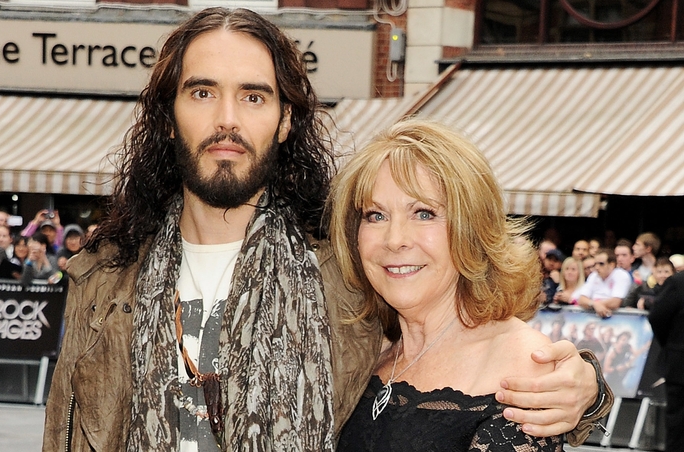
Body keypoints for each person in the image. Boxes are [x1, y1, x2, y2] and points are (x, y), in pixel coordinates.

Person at [43, 8, 607, 452]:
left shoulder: (347, 277)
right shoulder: (103, 280)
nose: (228, 120)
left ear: (286, 119)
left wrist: (586, 387)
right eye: (202, 91)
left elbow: (462, 341)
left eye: (254, 96)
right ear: (168, 116)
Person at [328, 118, 605, 450]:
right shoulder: (364, 349)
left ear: (472, 228)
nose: (395, 239)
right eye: (376, 215)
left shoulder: (523, 372)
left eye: (424, 213)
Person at [648, 269, 684, 452]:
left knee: (678, 422)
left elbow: (657, 316)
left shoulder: (679, 281)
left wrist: (671, 343)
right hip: (679, 363)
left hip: (679, 360)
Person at [577, 248, 633, 318]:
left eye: (601, 264)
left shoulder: (621, 275)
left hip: (615, 318)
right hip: (593, 317)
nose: (597, 267)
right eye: (595, 264)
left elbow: (615, 302)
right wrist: (594, 305)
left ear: (611, 265)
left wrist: (595, 305)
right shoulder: (593, 276)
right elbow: (581, 299)